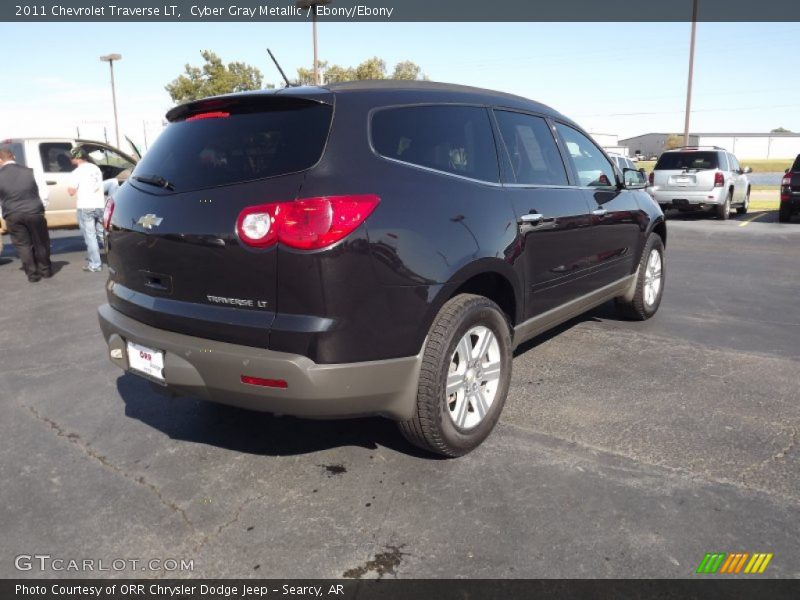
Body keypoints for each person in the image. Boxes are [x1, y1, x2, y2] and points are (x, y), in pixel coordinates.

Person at [0, 146, 52, 282]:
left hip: (12, 214)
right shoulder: (31, 172)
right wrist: (41, 208)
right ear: (13, 157)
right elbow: (44, 192)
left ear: (0, 160)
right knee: (41, 242)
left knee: (23, 245)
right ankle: (45, 270)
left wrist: (3, 215)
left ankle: (33, 274)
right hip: (34, 211)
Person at [68, 146, 105, 272]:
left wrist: (70, 187)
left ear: (77, 158)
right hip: (100, 205)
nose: (70, 160)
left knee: (90, 236)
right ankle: (115, 259)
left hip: (85, 206)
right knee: (102, 234)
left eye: (71, 157)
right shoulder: (96, 168)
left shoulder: (76, 172)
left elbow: (71, 192)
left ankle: (95, 264)